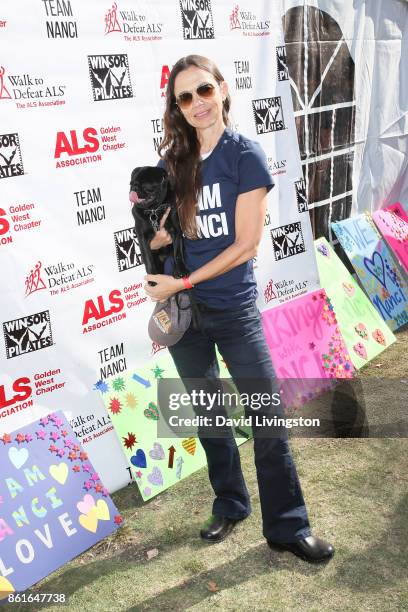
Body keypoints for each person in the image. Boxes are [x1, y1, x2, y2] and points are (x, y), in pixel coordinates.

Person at [143, 55, 334, 563]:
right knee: (210, 418)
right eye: (185, 98)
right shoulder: (173, 162)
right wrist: (160, 241)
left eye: (204, 90)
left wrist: (182, 278)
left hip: (233, 310)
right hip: (187, 317)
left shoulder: (244, 155)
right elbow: (177, 237)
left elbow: (246, 244)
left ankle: (289, 527)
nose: (197, 104)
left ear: (222, 90)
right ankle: (230, 502)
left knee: (267, 419)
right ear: (177, 108)